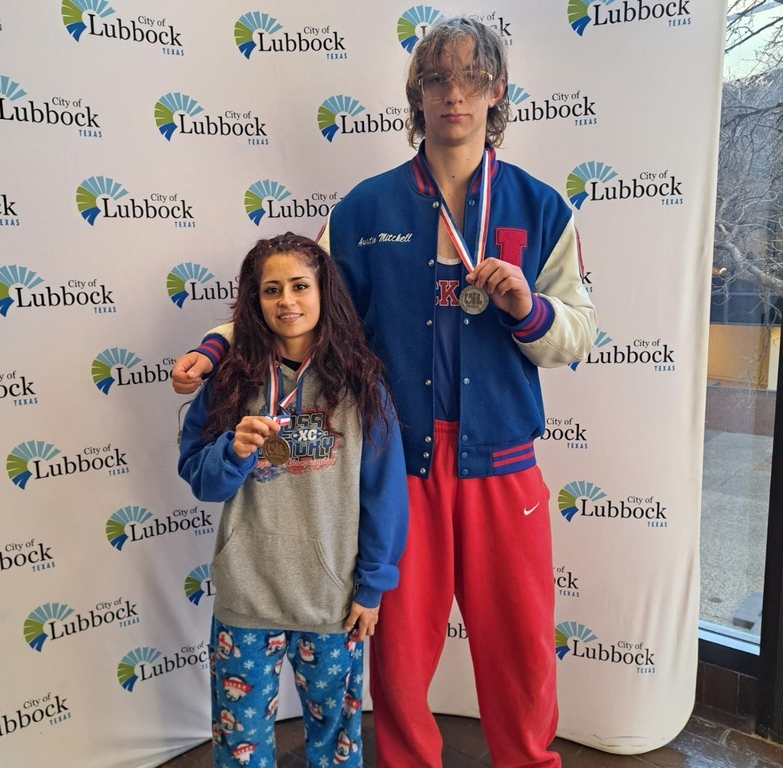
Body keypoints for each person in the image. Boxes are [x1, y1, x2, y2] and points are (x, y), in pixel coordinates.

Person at [174, 17, 595, 768]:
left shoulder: (541, 208)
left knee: (524, 658)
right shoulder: (364, 212)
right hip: (403, 471)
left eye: (471, 78)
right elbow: (298, 304)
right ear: (416, 95)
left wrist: (528, 310)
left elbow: (578, 334)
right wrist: (215, 344)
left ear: (498, 91)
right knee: (398, 666)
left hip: (504, 473)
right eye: (437, 79)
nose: (454, 94)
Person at [177, 232, 408, 768]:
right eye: (271, 290)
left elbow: (384, 495)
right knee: (240, 748)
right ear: (253, 303)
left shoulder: (361, 384)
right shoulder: (229, 380)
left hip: (331, 602)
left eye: (300, 286)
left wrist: (372, 587)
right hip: (246, 598)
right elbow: (200, 478)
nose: (287, 301)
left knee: (335, 744)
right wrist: (232, 450)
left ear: (324, 292)